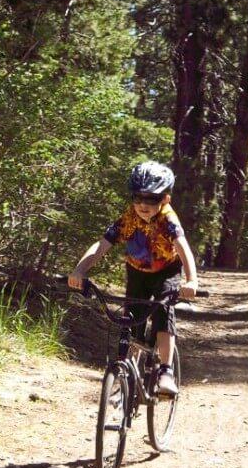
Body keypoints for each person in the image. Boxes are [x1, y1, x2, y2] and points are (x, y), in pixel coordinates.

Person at [68, 161, 198, 395]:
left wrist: (191, 281)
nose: (143, 205)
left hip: (166, 271)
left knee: (162, 314)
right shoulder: (128, 218)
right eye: (138, 198)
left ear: (165, 200)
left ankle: (165, 371)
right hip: (137, 272)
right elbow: (101, 245)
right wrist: (79, 270)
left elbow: (183, 248)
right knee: (131, 320)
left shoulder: (168, 219)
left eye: (151, 199)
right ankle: (128, 377)